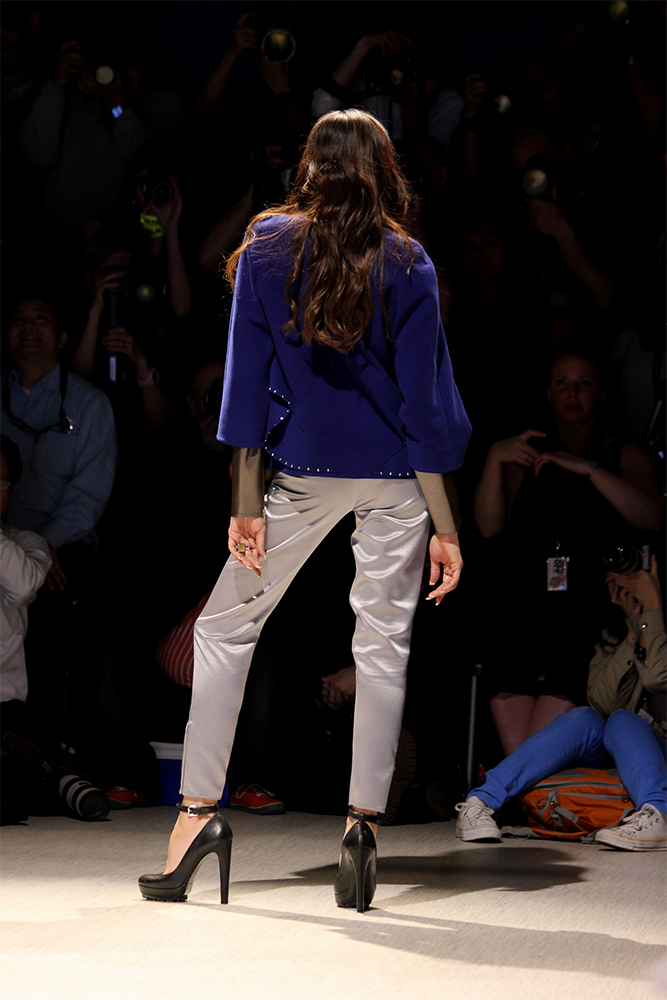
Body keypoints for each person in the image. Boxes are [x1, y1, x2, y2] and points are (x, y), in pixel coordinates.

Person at [138, 108, 471, 911]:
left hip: (303, 474)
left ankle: (195, 818)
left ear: (308, 167)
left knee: (223, 629)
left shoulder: (267, 245)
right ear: (383, 171)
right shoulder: (408, 260)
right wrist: (446, 524)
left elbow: (245, 383)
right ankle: (361, 830)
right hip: (396, 478)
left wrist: (244, 500)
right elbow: (424, 410)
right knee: (382, 647)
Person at [473, 345, 664, 757]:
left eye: (584, 384)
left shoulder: (623, 454)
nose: (572, 393)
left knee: (533, 753)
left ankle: (511, 788)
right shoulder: (528, 454)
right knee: (521, 749)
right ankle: (516, 786)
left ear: (602, 393)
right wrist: (493, 459)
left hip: (591, 613)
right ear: (548, 392)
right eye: (562, 383)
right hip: (529, 607)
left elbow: (652, 517)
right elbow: (489, 526)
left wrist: (588, 469)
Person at [456, 557, 666, 850]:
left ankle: (659, 815)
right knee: (586, 717)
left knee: (624, 720)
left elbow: (658, 679)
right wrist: (634, 631)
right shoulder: (614, 634)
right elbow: (603, 701)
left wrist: (653, 610)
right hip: (621, 742)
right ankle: (481, 801)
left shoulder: (658, 622)